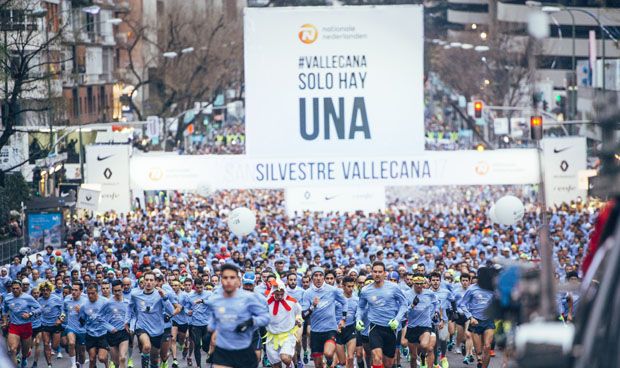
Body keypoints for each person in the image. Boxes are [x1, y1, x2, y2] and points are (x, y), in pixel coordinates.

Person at [205, 263, 270, 368]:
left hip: (249, 339)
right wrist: (210, 333)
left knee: (257, 359)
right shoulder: (217, 299)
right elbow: (214, 322)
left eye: (232, 277)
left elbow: (266, 318)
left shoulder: (256, 298)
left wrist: (251, 322)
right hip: (226, 344)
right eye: (225, 278)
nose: (228, 281)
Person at [356, 262, 408, 368]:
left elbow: (404, 304)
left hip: (391, 328)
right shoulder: (366, 290)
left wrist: (397, 319)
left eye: (380, 272)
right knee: (376, 357)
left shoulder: (394, 287)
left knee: (388, 363)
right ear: (372, 273)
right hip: (375, 327)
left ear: (384, 273)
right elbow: (361, 307)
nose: (377, 274)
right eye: (375, 272)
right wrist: (358, 319)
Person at [125, 271, 174, 368]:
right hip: (142, 327)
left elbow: (171, 311)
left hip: (157, 330)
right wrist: (127, 321)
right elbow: (130, 307)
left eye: (151, 280)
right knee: (147, 346)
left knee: (155, 360)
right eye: (146, 280)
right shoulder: (135, 294)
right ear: (143, 282)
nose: (148, 282)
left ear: (155, 282)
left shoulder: (160, 294)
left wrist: (164, 297)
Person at [301, 267, 347, 368]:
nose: (318, 278)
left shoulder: (333, 290)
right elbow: (303, 315)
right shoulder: (307, 293)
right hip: (315, 332)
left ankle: (330, 360)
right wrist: (312, 306)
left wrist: (343, 319)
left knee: (328, 353)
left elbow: (345, 302)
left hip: (330, 329)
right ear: (312, 278)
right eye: (316, 276)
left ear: (323, 277)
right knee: (318, 364)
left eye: (320, 275)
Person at [458, 268, 495, 368]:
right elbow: (462, 304)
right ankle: (479, 358)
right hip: (476, 321)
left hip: (488, 321)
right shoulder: (471, 289)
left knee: (487, 346)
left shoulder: (492, 288)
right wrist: (470, 317)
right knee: (479, 351)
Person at [2, 280, 41, 367]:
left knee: (25, 351)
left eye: (17, 288)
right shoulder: (8, 298)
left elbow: (39, 308)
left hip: (26, 326)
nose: (15, 290)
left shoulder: (28, 298)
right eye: (13, 288)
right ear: (11, 289)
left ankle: (23, 359)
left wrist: (30, 314)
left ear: (21, 288)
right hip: (14, 326)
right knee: (12, 349)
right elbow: (4, 310)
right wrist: (5, 321)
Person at [403, 273, 439, 368]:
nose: (419, 285)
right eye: (417, 283)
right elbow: (404, 311)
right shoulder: (407, 295)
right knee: (413, 356)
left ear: (424, 282)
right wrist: (412, 306)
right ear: (413, 283)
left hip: (425, 325)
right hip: (412, 327)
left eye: (421, 283)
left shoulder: (429, 293)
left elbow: (436, 303)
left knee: (424, 345)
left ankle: (423, 355)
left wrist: (434, 313)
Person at [264, 280, 302, 368]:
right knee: (276, 365)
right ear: (273, 292)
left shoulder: (292, 301)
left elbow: (299, 312)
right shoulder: (267, 303)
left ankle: (292, 366)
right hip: (271, 337)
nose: (280, 296)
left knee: (284, 358)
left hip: (287, 336)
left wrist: (298, 319)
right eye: (277, 294)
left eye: (282, 294)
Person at [79, 283, 114, 368]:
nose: (90, 295)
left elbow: (112, 315)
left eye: (92, 293)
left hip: (103, 334)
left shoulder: (105, 302)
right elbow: (82, 319)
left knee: (101, 358)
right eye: (88, 293)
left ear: (97, 292)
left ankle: (107, 363)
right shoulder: (84, 305)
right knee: (92, 359)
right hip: (90, 334)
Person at [102, 280, 130, 368]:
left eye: (119, 290)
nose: (117, 293)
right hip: (111, 334)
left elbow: (133, 316)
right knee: (116, 362)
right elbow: (99, 318)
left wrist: (130, 325)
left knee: (122, 358)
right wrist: (110, 328)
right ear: (112, 290)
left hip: (123, 332)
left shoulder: (127, 302)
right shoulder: (107, 303)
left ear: (122, 288)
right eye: (115, 291)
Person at [186, 278, 213, 368]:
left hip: (207, 324)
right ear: (194, 286)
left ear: (203, 286)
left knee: (206, 346)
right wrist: (188, 312)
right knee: (197, 345)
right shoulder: (190, 296)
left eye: (201, 287)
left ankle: (211, 358)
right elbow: (185, 307)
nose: (199, 289)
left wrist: (202, 301)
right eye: (197, 288)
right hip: (195, 325)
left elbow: (213, 303)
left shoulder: (209, 294)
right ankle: (198, 365)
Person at [429, 272, 453, 368]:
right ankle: (435, 362)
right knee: (434, 343)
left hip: (443, 320)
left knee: (443, 339)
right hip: (430, 322)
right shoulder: (426, 293)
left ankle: (443, 357)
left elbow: (453, 301)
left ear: (440, 281)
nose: (435, 282)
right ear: (430, 281)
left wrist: (453, 314)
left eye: (437, 280)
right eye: (433, 280)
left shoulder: (446, 292)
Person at [38, 281, 64, 368]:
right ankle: (49, 364)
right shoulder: (39, 300)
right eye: (43, 290)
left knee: (55, 346)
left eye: (47, 290)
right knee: (46, 344)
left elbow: (63, 311)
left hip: (55, 324)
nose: (45, 292)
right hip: (45, 324)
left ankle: (56, 348)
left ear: (50, 290)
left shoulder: (56, 299)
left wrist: (60, 319)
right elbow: (37, 311)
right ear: (41, 291)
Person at [335, 276, 358, 368]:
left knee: (351, 357)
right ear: (343, 286)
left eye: (353, 286)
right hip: (338, 330)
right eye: (349, 286)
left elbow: (359, 314)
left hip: (350, 329)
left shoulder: (357, 300)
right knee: (342, 362)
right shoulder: (337, 300)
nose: (351, 289)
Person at [64, 281, 88, 368]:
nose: (73, 292)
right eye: (72, 290)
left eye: (76, 290)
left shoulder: (86, 301)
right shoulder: (67, 300)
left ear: (81, 291)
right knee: (71, 343)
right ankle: (73, 364)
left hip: (82, 329)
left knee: (82, 354)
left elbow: (89, 317)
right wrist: (62, 317)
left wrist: (81, 312)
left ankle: (80, 365)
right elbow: (63, 311)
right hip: (71, 327)